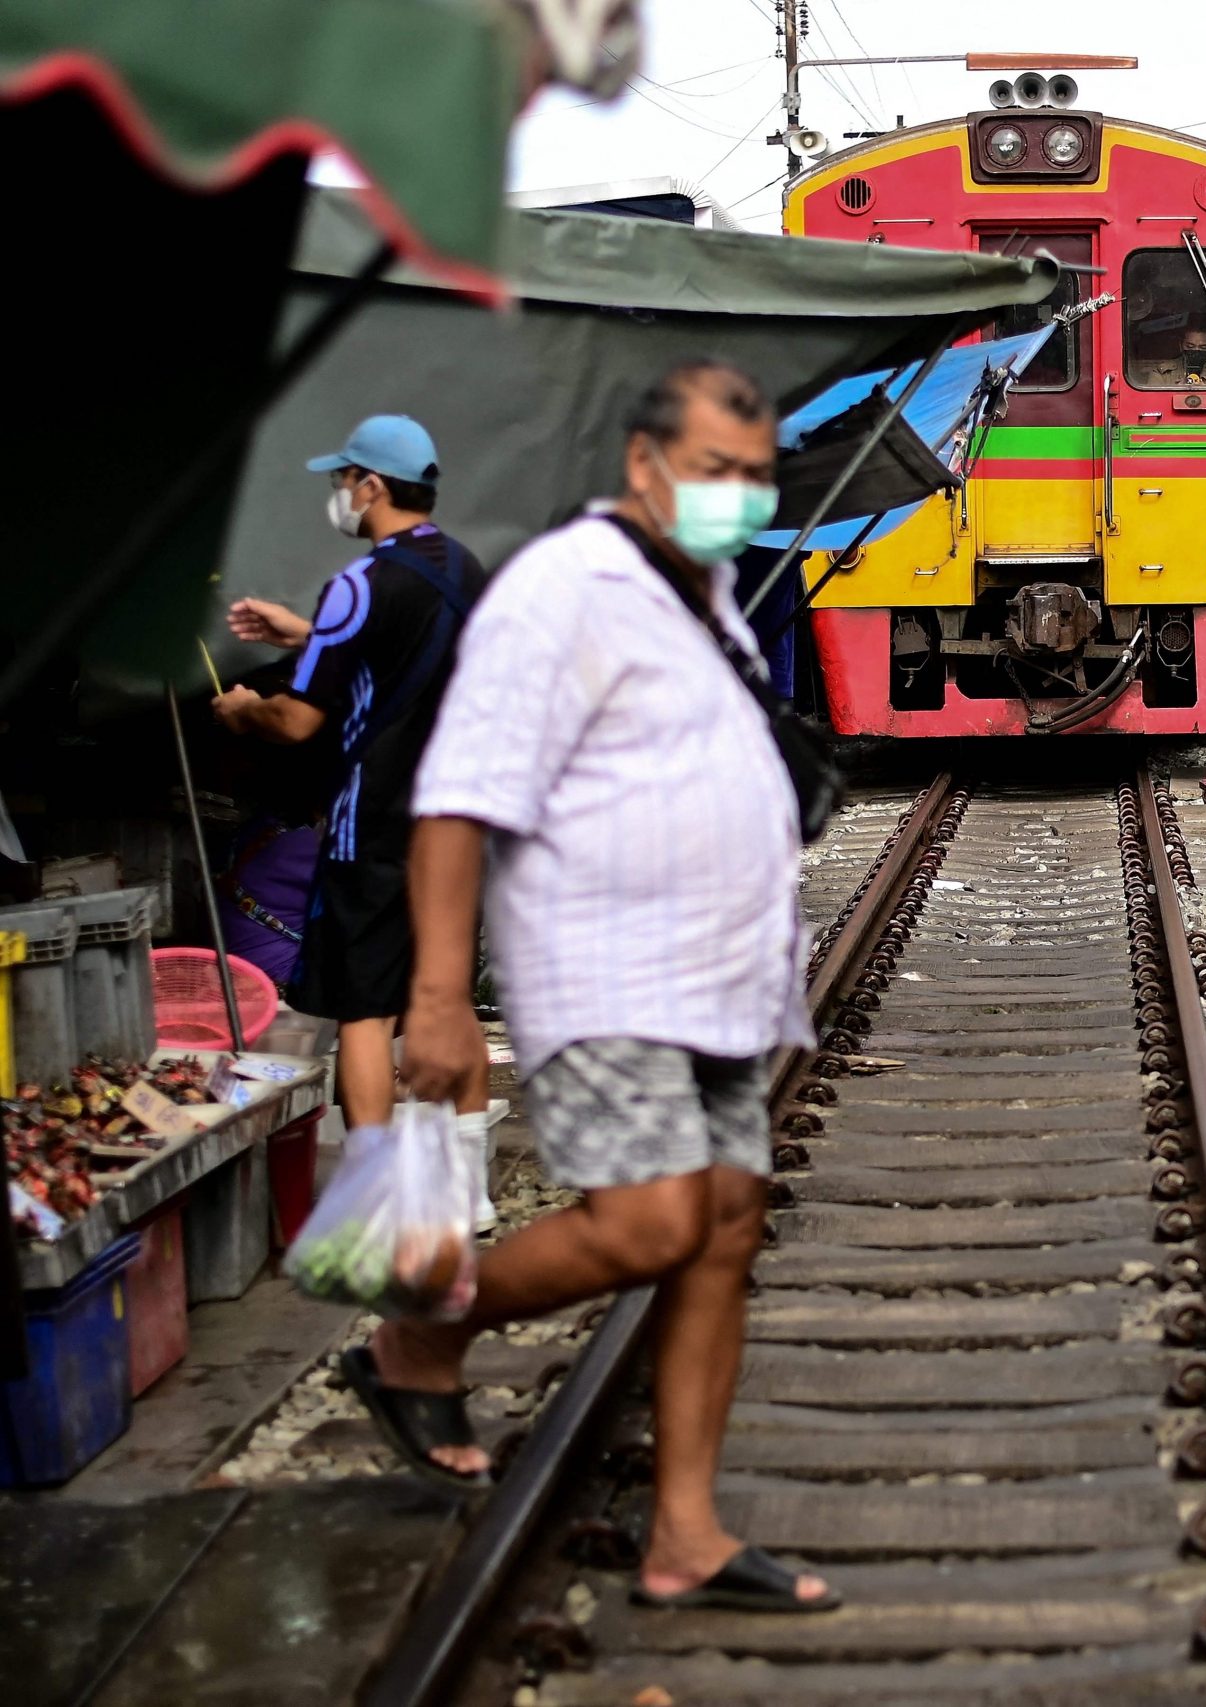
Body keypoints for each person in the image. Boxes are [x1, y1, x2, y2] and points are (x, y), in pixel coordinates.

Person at [360, 359, 833, 1614]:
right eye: (716, 471)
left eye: (755, 475)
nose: (740, 496)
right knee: (652, 1225)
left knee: (725, 1228)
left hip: (722, 979)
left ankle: (684, 1531)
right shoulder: (562, 590)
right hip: (608, 970)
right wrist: (442, 999)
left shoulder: (705, 589)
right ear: (644, 463)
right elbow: (461, 793)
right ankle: (430, 1330)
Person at [213, 414, 495, 1221]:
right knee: (446, 999)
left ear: (371, 486)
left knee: (362, 1011)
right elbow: (413, 650)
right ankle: (468, 1192)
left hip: (369, 826)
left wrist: (243, 709)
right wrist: (307, 632)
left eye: (344, 479)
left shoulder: (359, 583)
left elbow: (299, 722)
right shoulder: (464, 569)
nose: (340, 494)